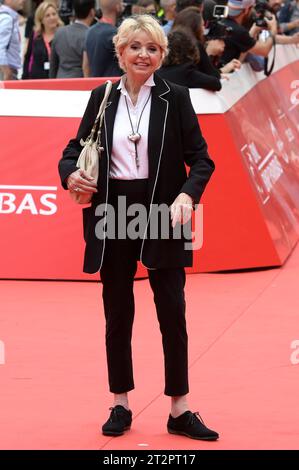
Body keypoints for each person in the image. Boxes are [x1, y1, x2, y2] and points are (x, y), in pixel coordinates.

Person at [58, 14, 218, 441]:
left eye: (152, 48)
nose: (143, 55)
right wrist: (71, 173)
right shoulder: (102, 97)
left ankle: (179, 408)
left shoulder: (176, 97)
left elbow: (202, 159)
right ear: (121, 52)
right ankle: (120, 402)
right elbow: (73, 151)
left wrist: (187, 194)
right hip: (112, 210)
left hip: (162, 211)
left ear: (161, 55)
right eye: (135, 47)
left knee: (172, 311)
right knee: (117, 313)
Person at [50, 0, 96, 78]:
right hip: (81, 83)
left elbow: (53, 64)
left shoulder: (60, 32)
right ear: (92, 12)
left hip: (60, 82)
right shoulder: (91, 36)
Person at [22, 1, 63, 79]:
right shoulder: (35, 36)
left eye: (54, 14)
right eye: (47, 15)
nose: (52, 18)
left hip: (56, 79)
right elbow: (28, 57)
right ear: (41, 20)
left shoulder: (63, 34)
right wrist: (24, 78)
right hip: (35, 80)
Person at [0, 0, 25, 80]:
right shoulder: (7, 19)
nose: (23, 0)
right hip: (5, 70)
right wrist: (6, 71)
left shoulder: (8, 17)